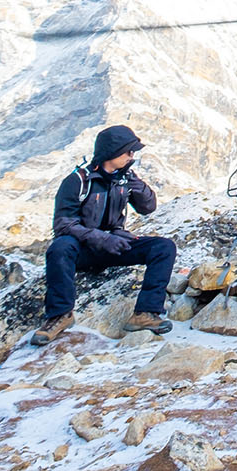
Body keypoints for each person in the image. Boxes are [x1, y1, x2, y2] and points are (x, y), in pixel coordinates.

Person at [32, 124, 176, 346]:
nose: (132, 155)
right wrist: (101, 238)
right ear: (112, 152)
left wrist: (134, 184)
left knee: (163, 247)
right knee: (60, 247)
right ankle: (60, 315)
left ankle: (145, 313)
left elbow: (149, 207)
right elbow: (63, 224)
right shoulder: (78, 181)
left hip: (115, 246)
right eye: (128, 151)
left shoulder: (125, 178)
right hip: (83, 249)